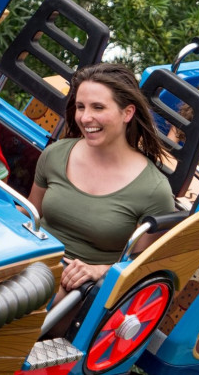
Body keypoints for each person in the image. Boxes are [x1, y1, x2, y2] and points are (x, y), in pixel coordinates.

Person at [27, 63, 175, 296]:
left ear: (127, 113)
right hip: (30, 259)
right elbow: (29, 213)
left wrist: (100, 270)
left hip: (78, 289)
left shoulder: (153, 189)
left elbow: (142, 269)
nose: (86, 118)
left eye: (98, 107)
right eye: (80, 107)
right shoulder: (56, 154)